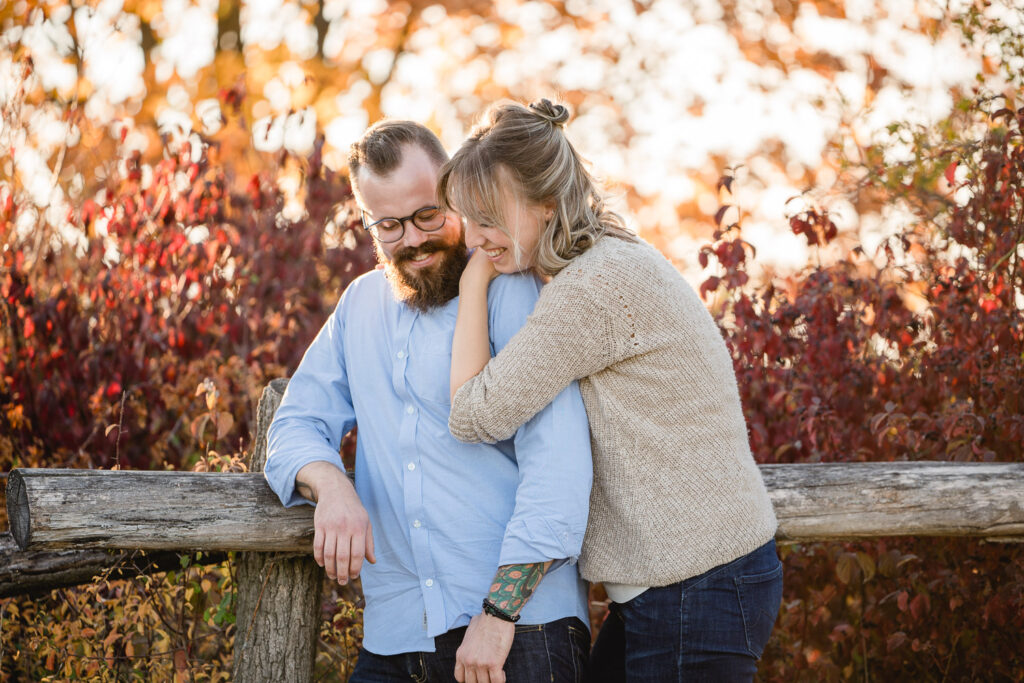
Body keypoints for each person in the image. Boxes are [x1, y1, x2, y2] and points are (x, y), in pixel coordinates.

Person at [438, 99, 784, 681]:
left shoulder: (590, 289)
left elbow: (474, 413)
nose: (473, 238)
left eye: (487, 217)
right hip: (679, 584)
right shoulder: (607, 260)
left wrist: (475, 279)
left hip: (697, 586)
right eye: (466, 219)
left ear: (546, 204)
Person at [264, 119, 594, 683]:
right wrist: (332, 485)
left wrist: (499, 613)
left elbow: (558, 466)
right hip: (397, 638)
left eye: (426, 216)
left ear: (456, 195)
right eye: (389, 225)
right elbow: (295, 423)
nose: (412, 240)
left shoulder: (512, 291)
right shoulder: (359, 306)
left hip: (520, 633)